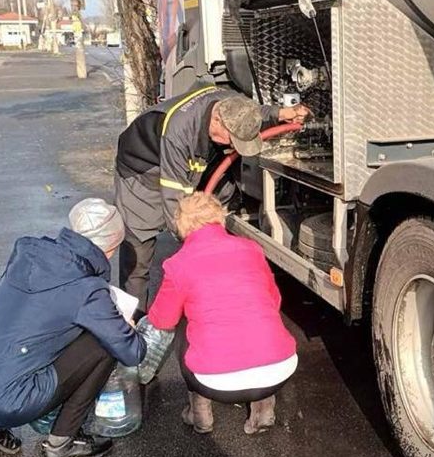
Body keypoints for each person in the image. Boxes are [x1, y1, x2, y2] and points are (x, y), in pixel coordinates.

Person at [0, 199, 146, 457]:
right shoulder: (87, 289)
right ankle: (61, 444)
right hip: (7, 401)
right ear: (110, 248)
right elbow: (132, 351)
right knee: (103, 345)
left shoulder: (26, 253)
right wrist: (126, 326)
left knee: (22, 325)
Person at [114, 85, 310, 309]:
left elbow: (255, 112)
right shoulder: (178, 132)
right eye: (232, 139)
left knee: (221, 196)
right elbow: (175, 203)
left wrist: (279, 113)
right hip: (142, 170)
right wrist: (198, 246)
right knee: (138, 251)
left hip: (186, 161)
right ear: (216, 120)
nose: (234, 147)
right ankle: (130, 321)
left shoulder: (232, 103)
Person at [146, 192, 297, 435]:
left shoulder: (178, 263)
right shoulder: (252, 249)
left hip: (214, 382)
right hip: (280, 369)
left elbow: (162, 320)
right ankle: (263, 411)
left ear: (181, 225)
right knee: (258, 315)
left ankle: (200, 415)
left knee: (183, 326)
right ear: (220, 218)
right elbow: (274, 300)